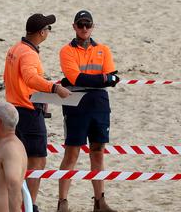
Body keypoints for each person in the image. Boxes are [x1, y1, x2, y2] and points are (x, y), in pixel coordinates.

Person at [3, 13, 72, 212]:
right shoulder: (28, 53)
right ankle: (29, 205)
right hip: (27, 112)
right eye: (48, 29)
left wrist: (40, 96)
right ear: (42, 32)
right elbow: (30, 77)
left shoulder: (15, 48)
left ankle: (22, 204)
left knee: (20, 161)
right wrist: (53, 88)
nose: (49, 32)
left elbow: (14, 79)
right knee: (37, 160)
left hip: (15, 108)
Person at [56, 11, 119, 212]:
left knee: (98, 152)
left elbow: (113, 78)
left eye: (87, 24)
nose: (84, 28)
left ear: (93, 26)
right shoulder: (66, 51)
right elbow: (77, 79)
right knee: (72, 153)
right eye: (80, 24)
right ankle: (62, 202)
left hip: (99, 104)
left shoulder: (103, 49)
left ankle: (100, 202)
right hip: (76, 104)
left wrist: (106, 79)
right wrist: (103, 80)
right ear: (74, 26)